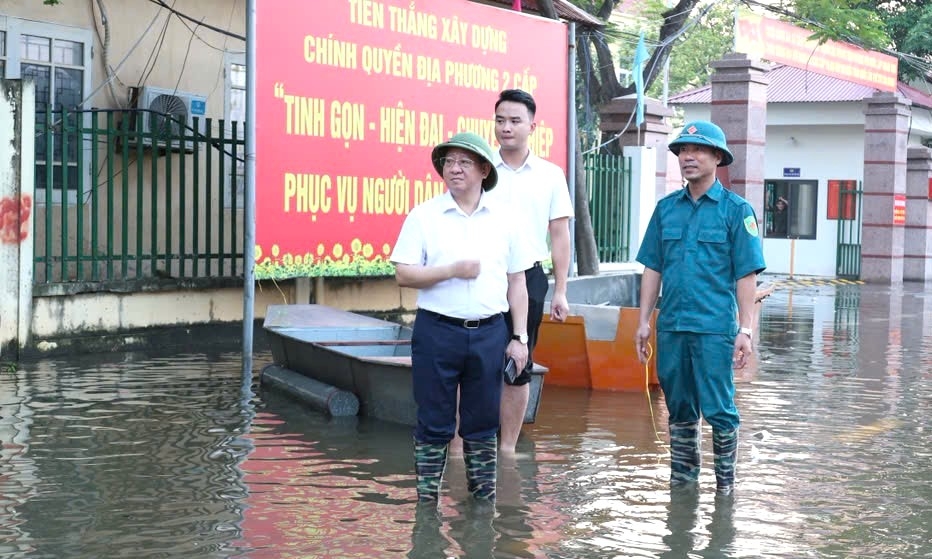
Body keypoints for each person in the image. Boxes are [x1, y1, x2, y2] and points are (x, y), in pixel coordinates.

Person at [391, 131, 531, 504]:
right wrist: (450, 270)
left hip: (489, 332)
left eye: (464, 162)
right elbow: (403, 274)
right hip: (437, 331)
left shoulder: (505, 219)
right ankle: (427, 504)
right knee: (434, 421)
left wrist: (519, 338)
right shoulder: (425, 216)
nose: (453, 169)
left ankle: (482, 506)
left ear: (484, 169)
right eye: (448, 162)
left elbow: (518, 283)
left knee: (483, 423)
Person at [634, 120, 766, 496]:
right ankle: (683, 487)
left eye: (698, 150)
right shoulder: (666, 210)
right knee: (679, 410)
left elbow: (746, 276)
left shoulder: (736, 211)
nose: (688, 157)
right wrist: (644, 321)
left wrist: (746, 330)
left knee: (720, 410)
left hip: (713, 329)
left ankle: (725, 492)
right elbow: (652, 268)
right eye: (682, 151)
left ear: (717, 158)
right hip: (672, 327)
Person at [488, 88, 574, 454]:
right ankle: (464, 448)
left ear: (532, 126)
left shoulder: (550, 175)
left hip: (530, 277)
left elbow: (559, 234)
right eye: (500, 120)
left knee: (519, 359)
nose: (506, 128)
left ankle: (507, 448)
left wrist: (560, 290)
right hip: (485, 275)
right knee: (474, 361)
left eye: (514, 121)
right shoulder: (481, 167)